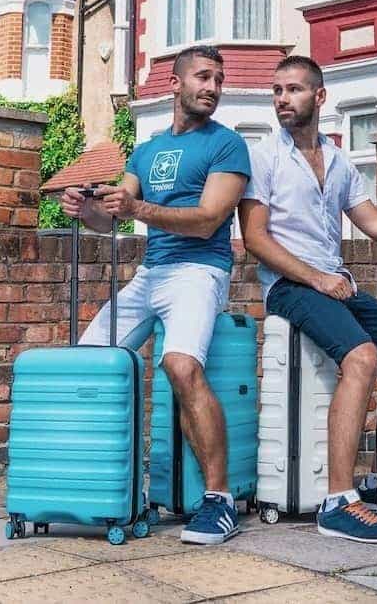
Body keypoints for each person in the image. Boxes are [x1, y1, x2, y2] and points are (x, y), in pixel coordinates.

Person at [239, 55, 377, 545]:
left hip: (333, 281)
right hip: (290, 286)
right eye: (277, 90)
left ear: (319, 97)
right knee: (361, 357)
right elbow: (255, 238)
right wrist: (317, 279)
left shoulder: (338, 161)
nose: (282, 99)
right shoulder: (264, 157)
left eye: (293, 90)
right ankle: (339, 501)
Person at [61, 45, 251, 546]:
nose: (212, 87)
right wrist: (86, 210)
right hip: (152, 273)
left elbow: (209, 219)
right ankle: (104, 485)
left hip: (200, 270)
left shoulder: (228, 146)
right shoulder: (145, 149)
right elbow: (113, 218)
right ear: (176, 83)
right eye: (203, 77)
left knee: (181, 365)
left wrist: (137, 207)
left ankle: (219, 500)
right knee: (89, 361)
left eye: (218, 79)